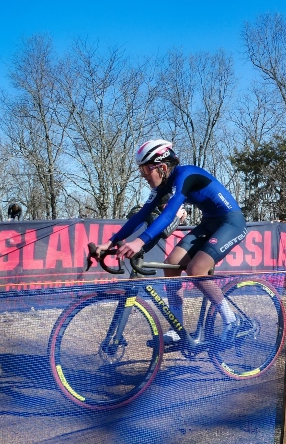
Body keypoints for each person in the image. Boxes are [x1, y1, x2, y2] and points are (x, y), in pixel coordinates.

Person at [98, 139, 247, 348]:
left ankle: (232, 320)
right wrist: (110, 242)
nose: (143, 176)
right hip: (209, 224)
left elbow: (169, 214)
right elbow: (141, 215)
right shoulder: (163, 185)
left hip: (231, 222)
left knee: (196, 269)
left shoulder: (184, 175)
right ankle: (178, 328)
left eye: (145, 170)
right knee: (172, 265)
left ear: (162, 167)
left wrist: (140, 242)